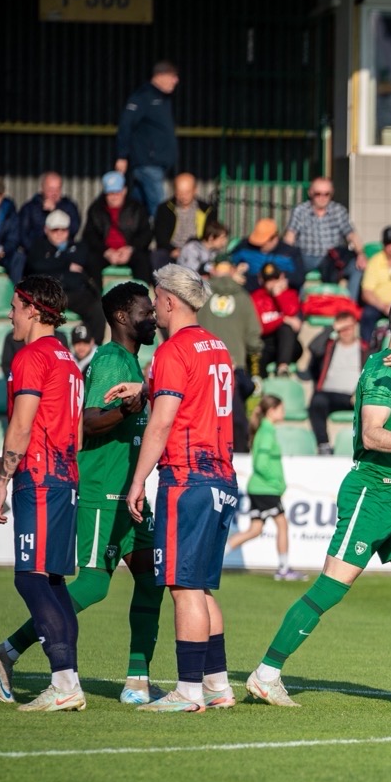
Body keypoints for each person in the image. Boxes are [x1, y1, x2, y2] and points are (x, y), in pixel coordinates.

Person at [247, 295, 391, 708]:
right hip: (372, 490)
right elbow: (371, 435)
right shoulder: (384, 369)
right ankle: (266, 673)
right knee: (331, 586)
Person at [0, 282, 167, 707]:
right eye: (145, 311)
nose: (153, 318)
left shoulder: (134, 364)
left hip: (131, 494)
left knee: (152, 577)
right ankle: (7, 651)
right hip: (102, 491)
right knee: (93, 586)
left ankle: (137, 680)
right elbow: (85, 421)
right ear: (121, 316)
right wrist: (125, 409)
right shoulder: (109, 360)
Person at [104, 264, 240, 713]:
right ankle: (218, 686)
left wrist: (139, 480)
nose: (153, 308)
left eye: (155, 298)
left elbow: (163, 423)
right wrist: (143, 387)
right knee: (199, 588)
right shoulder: (216, 346)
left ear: (167, 300)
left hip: (189, 478)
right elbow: (191, 393)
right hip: (221, 475)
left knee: (183, 588)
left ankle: (188, 691)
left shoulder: (173, 350)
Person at [0, 276, 86, 712]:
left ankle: (63, 682)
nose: (9, 315)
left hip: (39, 480)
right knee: (54, 582)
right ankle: (68, 681)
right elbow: (71, 432)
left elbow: (21, 426)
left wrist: (4, 482)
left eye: (14, 306)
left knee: (30, 577)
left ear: (33, 309)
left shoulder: (31, 357)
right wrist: (8, 463)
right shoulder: (69, 361)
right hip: (64, 477)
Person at [225, 393, 301, 582]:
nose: (284, 412)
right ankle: (283, 569)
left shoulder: (265, 430)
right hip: (266, 489)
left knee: (255, 530)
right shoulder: (267, 432)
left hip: (260, 488)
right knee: (282, 524)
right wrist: (276, 483)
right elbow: (261, 463)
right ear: (271, 411)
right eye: (281, 409)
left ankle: (217, 556)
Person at [21, 209, 105, 346]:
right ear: (46, 230)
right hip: (49, 295)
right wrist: (66, 265)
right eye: (55, 230)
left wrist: (54, 265)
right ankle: (39, 347)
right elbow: (37, 266)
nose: (60, 234)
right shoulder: (38, 247)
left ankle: (94, 350)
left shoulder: (79, 247)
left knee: (97, 308)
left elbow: (88, 265)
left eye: (64, 230)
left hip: (76, 293)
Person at [115, 62, 180, 215]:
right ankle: (161, 237)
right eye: (173, 76)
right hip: (148, 163)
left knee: (138, 206)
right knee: (159, 208)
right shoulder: (142, 97)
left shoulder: (164, 99)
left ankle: (132, 233)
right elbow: (126, 125)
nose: (175, 81)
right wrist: (122, 155)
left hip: (159, 165)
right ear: (160, 76)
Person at [283, 178, 363, 291]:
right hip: (306, 256)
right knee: (292, 270)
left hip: (331, 258)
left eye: (326, 194)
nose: (322, 198)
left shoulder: (339, 211)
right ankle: (298, 305)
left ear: (332, 194)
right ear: (310, 193)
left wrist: (360, 254)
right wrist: (285, 255)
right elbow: (290, 236)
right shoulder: (300, 211)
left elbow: (351, 235)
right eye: (318, 194)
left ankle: (350, 304)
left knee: (358, 267)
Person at [306, 313, 368, 453]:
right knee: (317, 401)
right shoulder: (329, 346)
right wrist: (331, 328)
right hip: (329, 395)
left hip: (355, 396)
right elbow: (313, 348)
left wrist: (360, 392)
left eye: (349, 327)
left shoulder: (365, 348)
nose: (346, 332)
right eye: (342, 328)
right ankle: (324, 446)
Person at [82, 170, 155, 289]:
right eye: (110, 193)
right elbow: (90, 235)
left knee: (143, 261)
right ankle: (96, 301)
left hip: (130, 251)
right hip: (105, 252)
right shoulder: (96, 209)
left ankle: (141, 298)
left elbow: (146, 233)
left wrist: (130, 249)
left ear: (124, 190)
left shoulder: (136, 208)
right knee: (91, 261)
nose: (114, 197)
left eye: (117, 192)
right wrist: (106, 251)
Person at [200, 256, 264, 380]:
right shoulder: (243, 297)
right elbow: (253, 337)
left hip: (203, 363)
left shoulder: (199, 296)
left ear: (213, 270)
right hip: (235, 363)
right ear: (233, 271)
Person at [151, 173, 217, 264]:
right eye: (179, 192)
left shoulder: (207, 210)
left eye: (187, 192)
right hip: (172, 251)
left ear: (195, 190)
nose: (183, 196)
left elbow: (210, 235)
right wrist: (172, 250)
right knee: (158, 256)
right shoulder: (165, 208)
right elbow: (160, 236)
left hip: (197, 250)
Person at [249, 263, 303, 374]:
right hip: (265, 342)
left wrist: (279, 295)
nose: (273, 284)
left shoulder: (290, 294)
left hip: (286, 343)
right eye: (269, 280)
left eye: (275, 279)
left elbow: (292, 313)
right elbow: (260, 327)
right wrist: (282, 319)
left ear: (282, 277)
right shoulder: (256, 297)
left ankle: (283, 368)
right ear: (262, 280)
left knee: (286, 329)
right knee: (258, 357)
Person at [19, 173, 81, 264]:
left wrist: (55, 211)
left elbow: (73, 229)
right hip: (36, 254)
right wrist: (36, 251)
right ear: (43, 189)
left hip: (62, 253)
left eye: (58, 189)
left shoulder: (69, 206)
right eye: (51, 189)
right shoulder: (30, 208)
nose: (54, 193)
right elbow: (22, 234)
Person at [230, 218, 296, 285]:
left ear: (274, 238)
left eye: (263, 242)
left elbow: (299, 278)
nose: (260, 245)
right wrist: (232, 272)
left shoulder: (290, 253)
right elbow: (228, 262)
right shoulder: (244, 246)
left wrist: (282, 281)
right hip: (248, 289)